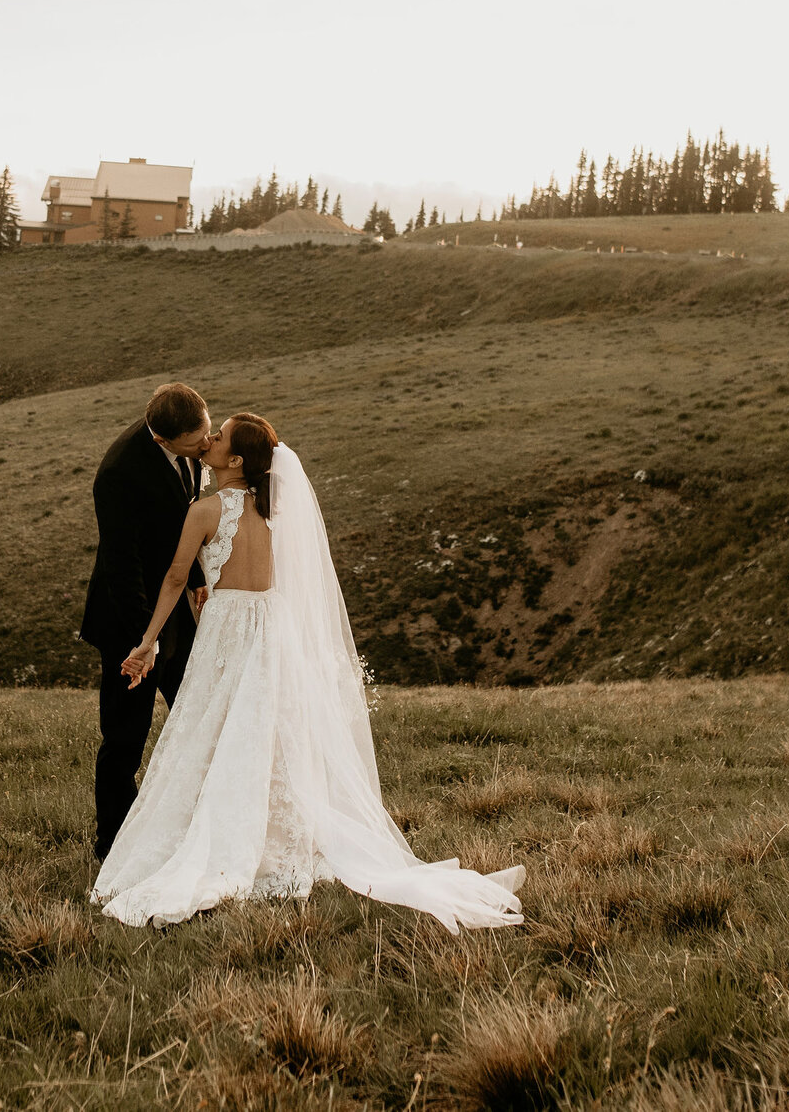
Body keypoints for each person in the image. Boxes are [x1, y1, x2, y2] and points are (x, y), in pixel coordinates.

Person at [90, 412, 525, 933]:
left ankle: (217, 835)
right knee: (270, 733)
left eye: (219, 437)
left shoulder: (206, 510)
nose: (209, 440)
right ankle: (276, 832)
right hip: (272, 626)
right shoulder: (278, 511)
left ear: (234, 460)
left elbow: (175, 578)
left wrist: (146, 642)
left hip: (227, 630)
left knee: (211, 730)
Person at [80, 382, 212, 859]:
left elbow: (180, 520)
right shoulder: (118, 474)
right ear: (163, 440)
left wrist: (196, 574)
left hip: (175, 607)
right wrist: (145, 638)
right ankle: (112, 845)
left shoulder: (192, 441)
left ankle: (193, 828)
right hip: (127, 621)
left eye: (208, 433)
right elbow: (123, 564)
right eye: (197, 442)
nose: (207, 446)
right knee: (124, 739)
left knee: (198, 719)